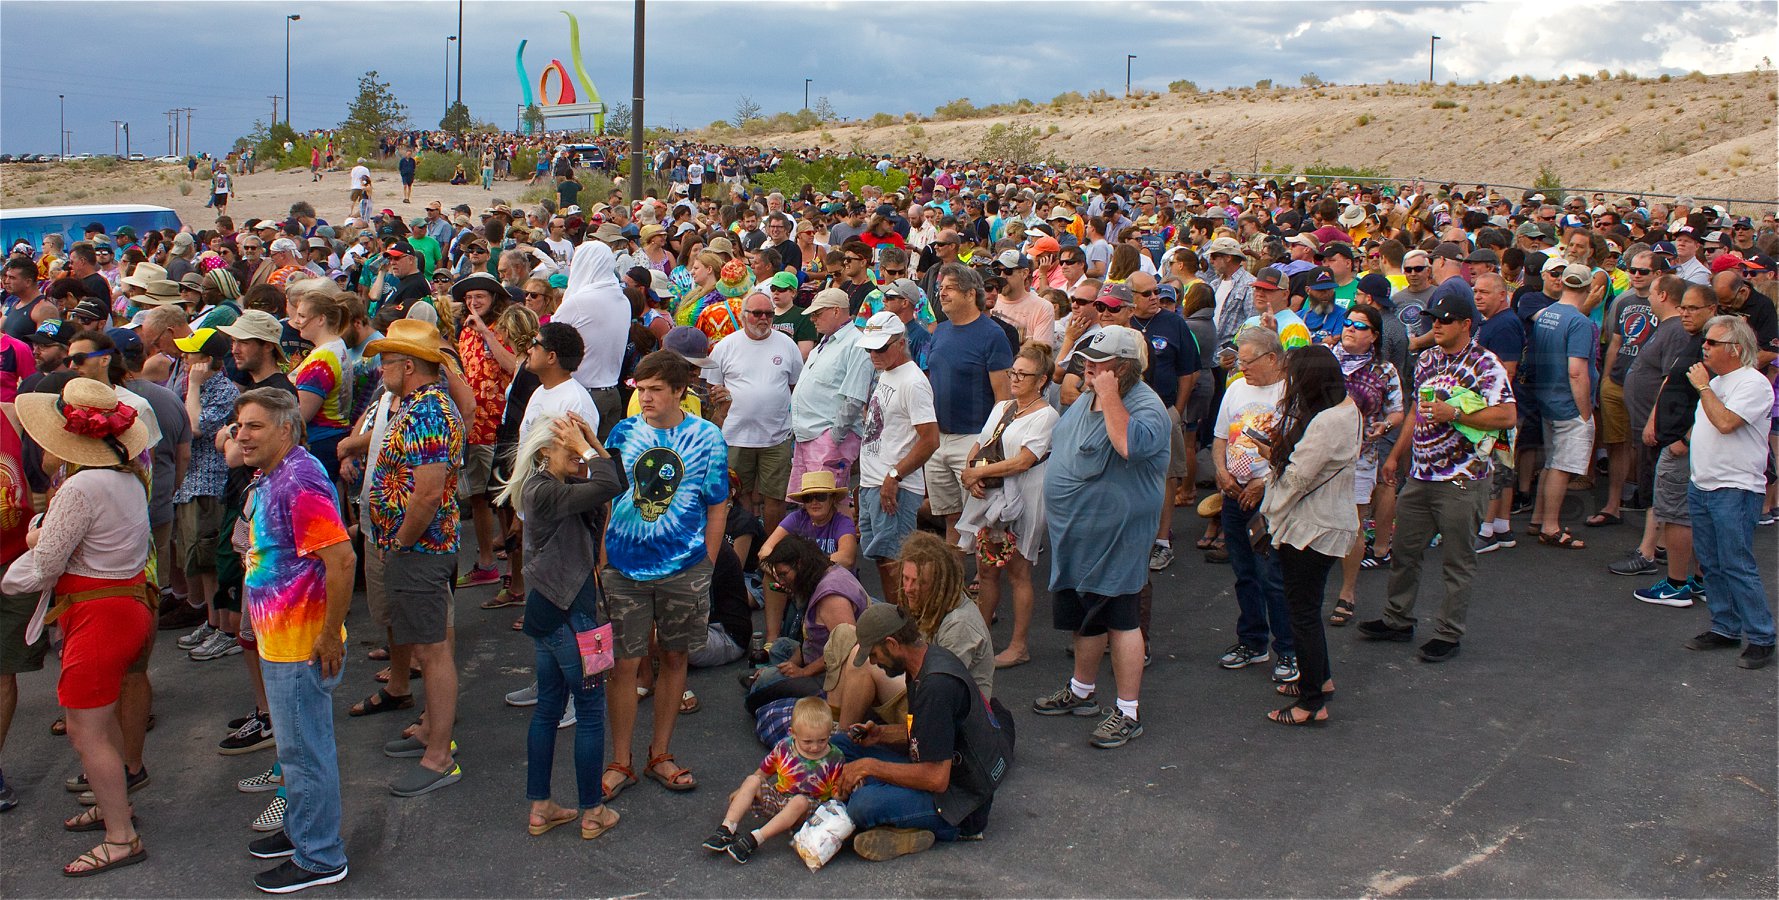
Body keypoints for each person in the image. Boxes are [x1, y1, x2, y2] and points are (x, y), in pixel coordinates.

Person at [6, 377, 153, 876]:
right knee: (101, 721)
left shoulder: (82, 487)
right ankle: (116, 809)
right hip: (123, 607)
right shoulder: (128, 477)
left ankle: (121, 836)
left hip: (98, 615)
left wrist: (34, 537)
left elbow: (47, 562)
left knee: (84, 730)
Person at [230, 387, 354, 892]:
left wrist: (328, 636)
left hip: (302, 645)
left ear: (286, 428)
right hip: (282, 640)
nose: (242, 436)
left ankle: (320, 855)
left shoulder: (298, 480)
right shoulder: (276, 473)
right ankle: (304, 830)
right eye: (239, 426)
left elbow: (342, 560)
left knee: (305, 753)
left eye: (254, 426)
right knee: (296, 749)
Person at [600, 350, 729, 801]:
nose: (646, 397)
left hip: (684, 568)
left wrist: (706, 564)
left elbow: (718, 504)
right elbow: (608, 498)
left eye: (656, 389)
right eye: (641, 389)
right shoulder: (622, 432)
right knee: (623, 665)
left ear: (679, 391)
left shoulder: (708, 437)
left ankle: (660, 754)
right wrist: (603, 559)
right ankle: (620, 760)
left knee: (675, 658)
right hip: (623, 567)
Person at [1361, 290, 1517, 662]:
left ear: (1466, 324)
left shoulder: (1485, 363)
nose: (1437, 326)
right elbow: (1417, 410)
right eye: (1434, 320)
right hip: (1421, 475)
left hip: (1464, 479)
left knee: (1457, 561)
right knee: (1404, 551)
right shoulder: (1428, 358)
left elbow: (1508, 415)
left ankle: (1448, 632)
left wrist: (1456, 414)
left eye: (1445, 321)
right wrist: (1396, 455)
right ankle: (1397, 619)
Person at [1035, 325, 1168, 749]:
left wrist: (1109, 395)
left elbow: (1128, 444)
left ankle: (1128, 711)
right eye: (1086, 361)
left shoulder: (1146, 406)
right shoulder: (1087, 397)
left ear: (1123, 368)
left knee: (1121, 620)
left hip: (1117, 538)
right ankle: (1081, 691)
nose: (1087, 369)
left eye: (1097, 363)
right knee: (1084, 616)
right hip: (1076, 534)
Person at [495, 411, 625, 840]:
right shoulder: (546, 491)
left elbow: (615, 483)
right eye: (566, 443)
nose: (576, 451)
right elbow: (606, 485)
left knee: (549, 706)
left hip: (548, 612)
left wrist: (592, 444)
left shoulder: (550, 487)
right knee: (589, 711)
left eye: (577, 442)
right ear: (544, 451)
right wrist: (588, 449)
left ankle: (541, 807)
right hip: (573, 616)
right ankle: (592, 813)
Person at [363, 319, 467, 796]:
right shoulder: (420, 405)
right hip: (419, 546)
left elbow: (426, 494)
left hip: (421, 548)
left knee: (433, 650)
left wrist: (400, 543)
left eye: (386, 362)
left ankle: (439, 756)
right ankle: (430, 732)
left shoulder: (427, 410)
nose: (380, 370)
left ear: (408, 366)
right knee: (430, 645)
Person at [838, 603, 1011, 859]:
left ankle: (929, 828)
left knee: (863, 804)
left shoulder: (936, 687)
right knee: (842, 744)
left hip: (960, 805)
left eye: (874, 654)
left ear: (892, 644)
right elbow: (930, 731)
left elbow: (936, 779)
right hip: (939, 768)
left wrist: (870, 767)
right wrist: (882, 735)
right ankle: (899, 823)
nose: (873, 662)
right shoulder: (924, 662)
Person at [1258, 346, 1359, 725]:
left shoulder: (1326, 421)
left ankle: (1311, 703)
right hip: (1331, 523)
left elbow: (1298, 478)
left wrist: (1270, 508)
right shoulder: (1348, 409)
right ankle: (1319, 679)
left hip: (1310, 529)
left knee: (1301, 614)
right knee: (1308, 610)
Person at [956, 342, 1059, 668]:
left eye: (1022, 375)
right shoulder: (1002, 407)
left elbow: (1023, 461)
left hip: (1023, 497)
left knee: (1018, 570)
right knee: (986, 568)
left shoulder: (1046, 415)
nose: (1014, 379)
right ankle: (981, 638)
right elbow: (981, 443)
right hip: (990, 497)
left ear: (1041, 380)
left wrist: (978, 473)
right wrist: (970, 473)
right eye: (1012, 372)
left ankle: (1018, 646)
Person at [1680, 316, 1775, 670]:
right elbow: (1705, 425)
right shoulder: (1718, 382)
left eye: (1712, 342)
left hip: (1735, 488)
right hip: (1704, 484)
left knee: (1736, 564)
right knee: (1711, 562)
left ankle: (1761, 636)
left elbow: (1725, 423)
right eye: (1705, 341)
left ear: (1735, 349)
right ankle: (1725, 627)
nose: (1704, 346)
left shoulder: (1752, 383)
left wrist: (1703, 388)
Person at [1211, 326, 1294, 678]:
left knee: (1273, 575)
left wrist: (1263, 482)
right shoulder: (1235, 389)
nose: (1241, 367)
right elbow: (1219, 438)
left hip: (1271, 499)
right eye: (1238, 361)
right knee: (1244, 572)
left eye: (1247, 361)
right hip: (1234, 494)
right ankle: (1253, 641)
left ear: (1272, 358)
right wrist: (1221, 472)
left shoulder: (1290, 393)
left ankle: (1288, 649)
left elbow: (1297, 451)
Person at [924, 264, 1013, 546]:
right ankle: (954, 575)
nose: (942, 294)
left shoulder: (992, 335)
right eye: (940, 288)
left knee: (982, 524)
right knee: (951, 518)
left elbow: (1004, 399)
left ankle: (983, 571)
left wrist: (987, 448)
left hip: (973, 439)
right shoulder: (940, 331)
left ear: (970, 293)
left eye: (949, 288)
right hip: (938, 440)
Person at [1327, 305, 1403, 625]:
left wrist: (1385, 425)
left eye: (1359, 326)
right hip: (1321, 453)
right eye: (1347, 323)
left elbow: (1397, 410)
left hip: (1361, 455)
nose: (1350, 329)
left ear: (1373, 336)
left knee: (1353, 524)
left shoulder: (1385, 370)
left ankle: (1347, 593)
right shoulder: (1325, 359)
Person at [856, 312, 939, 604]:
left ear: (901, 343)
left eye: (880, 347)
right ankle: (899, 619)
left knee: (898, 565)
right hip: (875, 483)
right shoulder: (889, 372)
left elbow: (930, 439)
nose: (873, 354)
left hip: (894, 487)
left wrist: (894, 475)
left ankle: (907, 622)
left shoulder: (913, 381)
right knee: (884, 559)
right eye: (869, 348)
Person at [701, 697, 843, 864]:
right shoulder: (784, 747)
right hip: (780, 798)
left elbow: (836, 792)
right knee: (752, 780)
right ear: (793, 733)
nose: (815, 747)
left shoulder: (835, 757)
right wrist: (743, 790)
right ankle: (727, 828)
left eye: (822, 740)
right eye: (807, 741)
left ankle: (756, 838)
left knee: (799, 801)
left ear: (830, 733)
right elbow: (764, 771)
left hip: (808, 808)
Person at [707, 291, 803, 535]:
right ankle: (748, 547)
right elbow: (712, 388)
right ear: (743, 316)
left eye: (769, 314)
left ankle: (771, 549)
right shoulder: (725, 346)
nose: (763, 318)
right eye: (757, 313)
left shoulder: (787, 345)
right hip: (735, 436)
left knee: (776, 497)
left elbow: (796, 386)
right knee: (740, 496)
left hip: (776, 437)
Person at [1526, 264, 1599, 549]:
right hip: (1568, 403)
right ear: (1588, 287)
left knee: (1552, 462)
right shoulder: (1580, 322)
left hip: (1547, 398)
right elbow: (1577, 372)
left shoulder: (1547, 314)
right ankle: (1550, 527)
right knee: (1562, 466)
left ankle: (1538, 519)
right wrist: (1585, 411)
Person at [746, 535, 868, 694]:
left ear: (800, 564)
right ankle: (768, 678)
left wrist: (803, 672)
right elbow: (810, 641)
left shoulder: (831, 598)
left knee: (763, 684)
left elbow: (846, 649)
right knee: (780, 646)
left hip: (836, 674)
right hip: (819, 653)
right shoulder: (825, 572)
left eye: (783, 574)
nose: (781, 582)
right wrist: (788, 667)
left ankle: (764, 683)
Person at [757, 471, 858, 645]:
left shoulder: (842, 522)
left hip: (832, 584)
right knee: (771, 576)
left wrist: (805, 568)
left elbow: (847, 557)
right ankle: (772, 639)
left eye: (820, 496)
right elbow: (764, 551)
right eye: (808, 498)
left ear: (832, 499)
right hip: (798, 581)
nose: (814, 502)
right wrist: (779, 572)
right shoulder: (796, 518)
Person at [788, 289, 874, 493]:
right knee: (809, 501)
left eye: (817, 314)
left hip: (827, 437)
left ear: (836, 311)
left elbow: (854, 397)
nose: (812, 319)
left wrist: (834, 438)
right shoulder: (826, 341)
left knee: (826, 500)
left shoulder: (856, 343)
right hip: (808, 435)